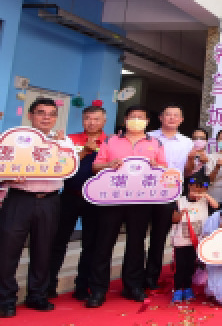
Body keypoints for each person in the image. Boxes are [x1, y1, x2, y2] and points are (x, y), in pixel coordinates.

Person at [86, 105, 167, 308]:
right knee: (104, 244)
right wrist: (108, 165)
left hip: (140, 201)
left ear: (147, 122)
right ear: (125, 120)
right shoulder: (111, 141)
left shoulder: (155, 143)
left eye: (141, 117)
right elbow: (95, 166)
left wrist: (156, 167)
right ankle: (98, 290)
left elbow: (164, 169)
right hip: (112, 199)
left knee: (136, 244)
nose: (136, 120)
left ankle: (133, 286)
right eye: (133, 117)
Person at [0, 98, 73, 317]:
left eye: (51, 114)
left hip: (50, 200)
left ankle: (37, 295)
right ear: (30, 115)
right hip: (19, 199)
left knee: (43, 250)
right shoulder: (13, 140)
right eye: (41, 113)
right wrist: (8, 177)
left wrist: (60, 147)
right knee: (7, 251)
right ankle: (5, 299)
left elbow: (69, 168)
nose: (46, 118)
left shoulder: (64, 141)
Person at [48, 104, 107, 301]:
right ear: (82, 120)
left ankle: (82, 286)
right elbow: (61, 165)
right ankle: (48, 285)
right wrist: (82, 153)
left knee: (91, 244)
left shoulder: (110, 142)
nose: (91, 122)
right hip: (69, 196)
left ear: (104, 121)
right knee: (58, 241)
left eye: (96, 119)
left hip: (96, 200)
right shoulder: (69, 140)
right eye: (87, 118)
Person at [147, 104, 193, 290]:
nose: (172, 118)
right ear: (161, 117)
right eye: (168, 115)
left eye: (176, 115)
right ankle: (134, 276)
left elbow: (188, 172)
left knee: (159, 237)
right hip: (146, 191)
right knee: (137, 235)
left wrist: (192, 160)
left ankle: (151, 277)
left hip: (171, 193)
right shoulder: (148, 137)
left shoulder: (187, 142)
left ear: (181, 120)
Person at [170, 170, 219, 303]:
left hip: (197, 241)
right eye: (194, 188)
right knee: (180, 266)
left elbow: (216, 206)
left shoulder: (204, 201)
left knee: (191, 265)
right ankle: (177, 290)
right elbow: (173, 219)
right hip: (181, 241)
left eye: (200, 189)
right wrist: (181, 214)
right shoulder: (180, 201)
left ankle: (188, 288)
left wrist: (205, 195)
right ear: (189, 186)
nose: (196, 192)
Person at [187, 129, 222, 196]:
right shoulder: (186, 154)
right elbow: (186, 173)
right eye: (195, 138)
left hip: (203, 193)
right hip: (187, 191)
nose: (199, 141)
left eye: (202, 138)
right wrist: (190, 159)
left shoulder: (210, 157)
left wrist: (208, 163)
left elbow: (210, 180)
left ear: (207, 141)